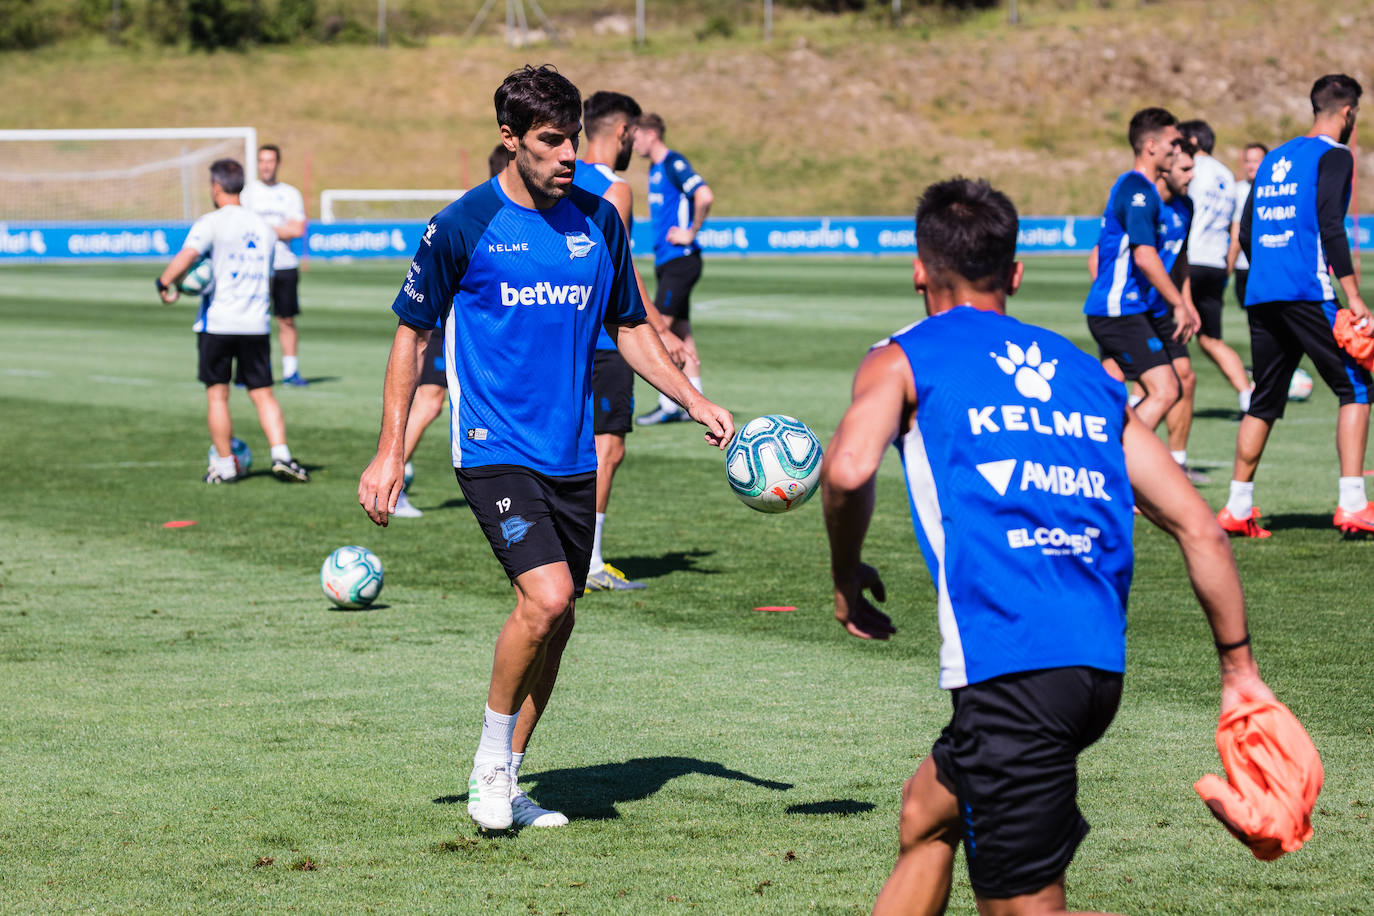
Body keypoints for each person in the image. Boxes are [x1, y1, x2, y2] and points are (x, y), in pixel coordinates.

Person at [821, 176, 1273, 915]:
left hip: (1014, 670)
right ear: (1016, 274)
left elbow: (845, 470)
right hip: (1094, 670)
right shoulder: (1082, 372)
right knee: (924, 815)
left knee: (1024, 910)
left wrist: (846, 575)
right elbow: (1197, 524)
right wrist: (1241, 673)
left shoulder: (904, 356)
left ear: (917, 270)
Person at [356, 66, 734, 833]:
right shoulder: (461, 225)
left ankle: (510, 776)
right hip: (493, 447)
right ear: (510, 138)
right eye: (549, 141)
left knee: (560, 623)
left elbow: (630, 324)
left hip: (570, 454)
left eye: (570, 138)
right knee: (550, 596)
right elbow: (412, 333)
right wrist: (390, 449)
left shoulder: (599, 220)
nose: (567, 156)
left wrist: (691, 398)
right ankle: (488, 773)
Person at [1223, 73, 1374, 537]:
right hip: (1307, 292)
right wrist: (1353, 296)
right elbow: (1332, 226)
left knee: (1264, 399)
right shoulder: (1335, 156)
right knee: (1358, 386)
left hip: (1263, 293)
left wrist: (1270, 267)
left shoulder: (1273, 158)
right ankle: (1352, 503)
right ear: (1348, 113)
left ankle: (1236, 507)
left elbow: (1246, 230)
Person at [572, 90, 693, 589]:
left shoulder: (556, 175)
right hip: (606, 339)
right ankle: (590, 561)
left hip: (561, 329)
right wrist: (661, 329)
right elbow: (619, 267)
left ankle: (555, 554)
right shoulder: (612, 186)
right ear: (623, 132)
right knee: (608, 447)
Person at [156, 158, 310, 484]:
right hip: (255, 323)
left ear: (215, 187)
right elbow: (268, 282)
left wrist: (165, 282)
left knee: (217, 395)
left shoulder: (211, 222)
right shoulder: (264, 229)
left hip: (219, 322)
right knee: (263, 393)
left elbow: (188, 256)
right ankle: (281, 455)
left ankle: (225, 465)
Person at [391, 144, 513, 520]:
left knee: (431, 402)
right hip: (456, 331)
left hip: (464, 332)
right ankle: (397, 476)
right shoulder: (480, 219)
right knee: (429, 402)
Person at [1082, 107, 1201, 433]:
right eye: (1172, 143)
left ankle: (1099, 456)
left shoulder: (1145, 192)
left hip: (1129, 307)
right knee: (1166, 389)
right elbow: (1145, 257)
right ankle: (1116, 465)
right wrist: (1179, 303)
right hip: (1120, 309)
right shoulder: (1136, 190)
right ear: (1151, 146)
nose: (1176, 150)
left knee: (1113, 391)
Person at [633, 112, 714, 425]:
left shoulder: (672, 163)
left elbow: (704, 195)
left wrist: (691, 233)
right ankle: (695, 398)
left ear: (651, 134)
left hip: (681, 260)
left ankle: (668, 404)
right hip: (668, 261)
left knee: (657, 331)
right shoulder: (655, 169)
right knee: (681, 333)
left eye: (637, 134)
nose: (633, 140)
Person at [1179, 120, 1255, 412]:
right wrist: (1227, 265)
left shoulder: (1189, 170)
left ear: (1193, 142)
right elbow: (1235, 230)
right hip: (1215, 263)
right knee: (1211, 339)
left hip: (1189, 260)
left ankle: (1144, 396)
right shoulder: (1226, 176)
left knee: (1158, 329)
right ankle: (1247, 395)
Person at [241, 145, 308, 386]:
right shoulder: (247, 194)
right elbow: (242, 228)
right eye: (262, 161)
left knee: (286, 319)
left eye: (270, 161)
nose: (266, 165)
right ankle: (253, 370)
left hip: (284, 264)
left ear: (277, 164)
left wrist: (263, 229)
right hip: (255, 265)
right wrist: (280, 229)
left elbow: (297, 229)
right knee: (254, 317)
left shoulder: (290, 194)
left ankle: (291, 371)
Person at [1228, 143, 1268, 310]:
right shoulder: (1237, 190)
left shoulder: (1272, 189)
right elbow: (1236, 231)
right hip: (1242, 266)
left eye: (1256, 161)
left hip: (1265, 264)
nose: (1251, 165)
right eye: (1247, 161)